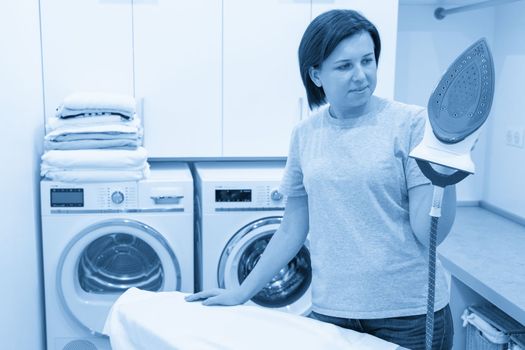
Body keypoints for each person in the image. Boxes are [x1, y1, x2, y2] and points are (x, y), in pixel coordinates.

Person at [186, 9, 455, 350]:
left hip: (409, 317)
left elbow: (431, 234)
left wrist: (447, 173)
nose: (360, 76)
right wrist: (240, 292)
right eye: (344, 66)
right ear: (316, 74)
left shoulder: (411, 124)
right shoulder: (305, 134)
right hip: (332, 312)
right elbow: (291, 228)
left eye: (367, 61)